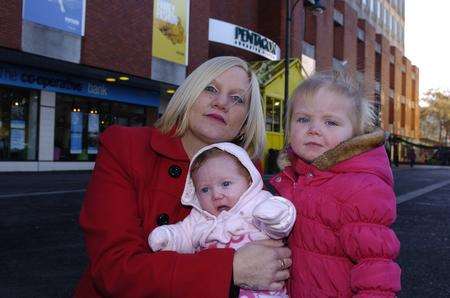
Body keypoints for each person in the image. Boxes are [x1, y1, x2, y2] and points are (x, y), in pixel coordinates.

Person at [74, 56, 292, 298]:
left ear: (245, 122)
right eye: (211, 88)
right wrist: (230, 269)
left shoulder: (248, 174)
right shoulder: (126, 147)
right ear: (189, 94)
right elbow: (114, 270)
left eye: (237, 99)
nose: (221, 103)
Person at [270, 72, 401, 297]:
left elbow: (376, 268)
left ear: (354, 134)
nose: (314, 129)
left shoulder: (360, 189)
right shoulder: (292, 178)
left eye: (330, 122)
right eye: (303, 119)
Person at [149, 142, 296, 297]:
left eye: (225, 184)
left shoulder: (257, 203)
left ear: (249, 181)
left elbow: (282, 222)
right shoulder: (200, 217)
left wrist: (274, 215)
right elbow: (183, 235)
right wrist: (167, 237)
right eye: (205, 189)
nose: (216, 195)